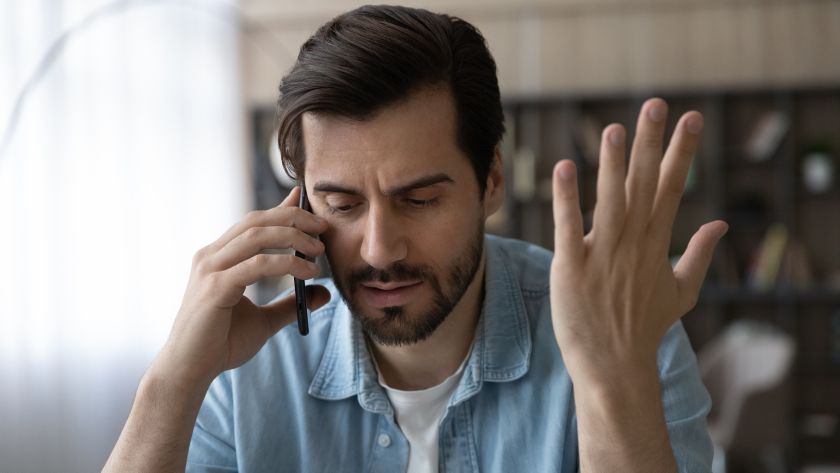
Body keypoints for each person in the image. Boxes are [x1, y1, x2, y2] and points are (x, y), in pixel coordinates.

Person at [104, 5, 727, 472]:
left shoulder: (619, 332)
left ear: (491, 183)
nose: (378, 249)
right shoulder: (245, 369)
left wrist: (610, 384)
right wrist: (172, 385)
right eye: (341, 203)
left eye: (420, 199)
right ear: (299, 203)